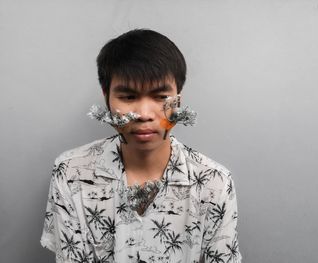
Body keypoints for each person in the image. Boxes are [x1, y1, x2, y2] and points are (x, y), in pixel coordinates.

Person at [40, 29, 242, 263]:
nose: (144, 114)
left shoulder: (214, 182)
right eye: (128, 97)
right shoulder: (70, 173)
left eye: (160, 97)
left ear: (178, 99)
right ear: (106, 97)